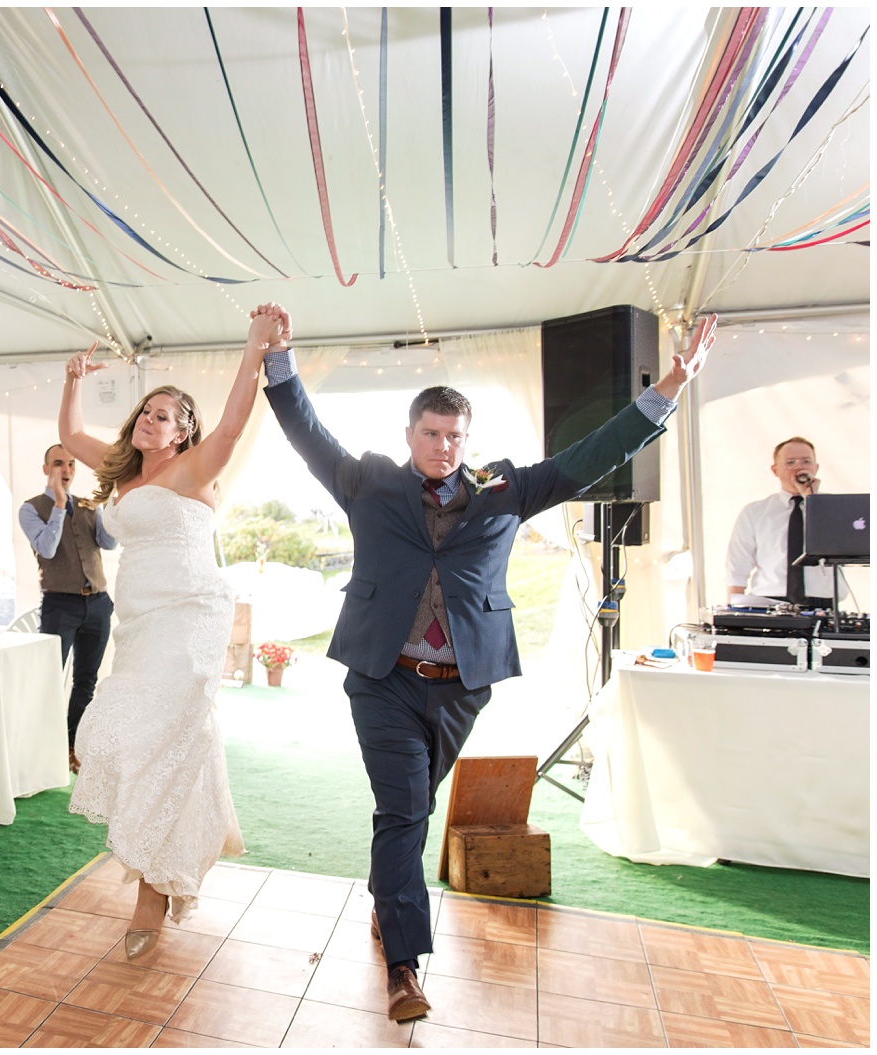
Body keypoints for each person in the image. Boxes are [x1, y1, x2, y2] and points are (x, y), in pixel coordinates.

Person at [260, 302, 718, 1021]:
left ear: (469, 439)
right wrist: (278, 359)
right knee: (405, 805)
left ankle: (391, 897)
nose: (442, 446)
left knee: (412, 807)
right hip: (382, 678)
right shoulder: (370, 483)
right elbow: (307, 434)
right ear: (408, 433)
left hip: (459, 688)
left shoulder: (507, 489)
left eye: (454, 435)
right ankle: (405, 968)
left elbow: (590, 455)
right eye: (430, 433)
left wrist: (666, 390)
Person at [58, 320, 273, 962]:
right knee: (113, 734)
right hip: (141, 625)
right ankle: (176, 852)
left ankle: (150, 899)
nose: (152, 419)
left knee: (164, 740)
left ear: (182, 431)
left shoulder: (192, 468)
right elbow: (69, 435)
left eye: (166, 415)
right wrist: (72, 381)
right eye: (147, 411)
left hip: (189, 621)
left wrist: (253, 350)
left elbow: (232, 425)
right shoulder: (124, 472)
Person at [18, 443, 117, 773]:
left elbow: (109, 542)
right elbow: (46, 548)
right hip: (60, 605)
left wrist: (108, 506)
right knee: (48, 680)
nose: (66, 469)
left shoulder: (90, 504)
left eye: (71, 464)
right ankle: (42, 749)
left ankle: (73, 746)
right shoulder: (31, 508)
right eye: (58, 463)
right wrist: (59, 507)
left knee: (86, 681)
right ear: (46, 469)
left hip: (98, 603)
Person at [725, 437, 836, 606]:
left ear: (816, 467)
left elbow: (839, 544)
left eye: (806, 461)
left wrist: (811, 500)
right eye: (790, 462)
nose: (799, 467)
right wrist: (732, 609)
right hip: (769, 599)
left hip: (822, 600)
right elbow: (738, 564)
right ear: (775, 470)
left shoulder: (834, 508)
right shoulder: (755, 512)